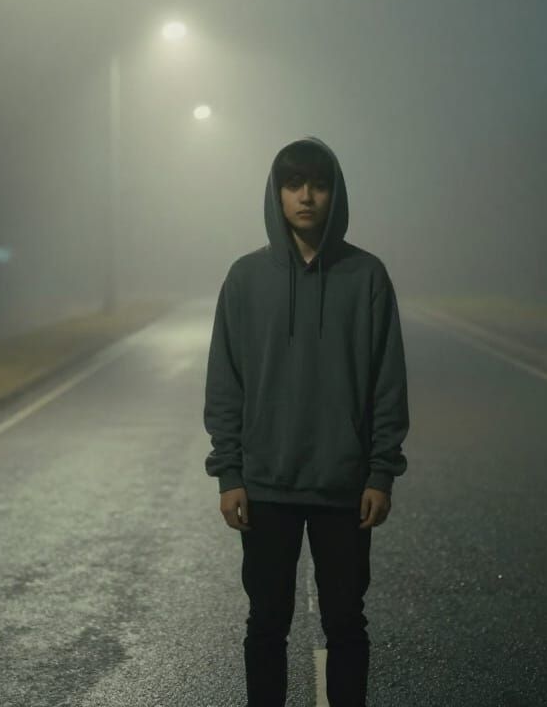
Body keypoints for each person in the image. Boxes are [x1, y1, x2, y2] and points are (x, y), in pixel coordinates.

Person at [203, 135, 410, 707]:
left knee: (345, 623)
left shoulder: (367, 276)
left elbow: (387, 383)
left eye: (318, 185)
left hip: (345, 486)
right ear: (277, 194)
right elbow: (225, 383)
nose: (306, 197)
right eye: (293, 184)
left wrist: (381, 473)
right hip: (266, 484)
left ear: (334, 194)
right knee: (266, 624)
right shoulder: (245, 278)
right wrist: (229, 475)